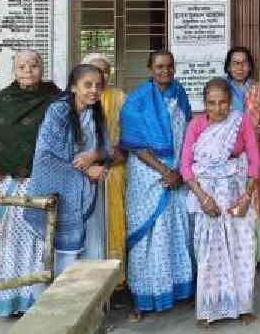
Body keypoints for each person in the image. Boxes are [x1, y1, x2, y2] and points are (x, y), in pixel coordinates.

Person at [0, 50, 59, 318]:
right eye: (22, 66)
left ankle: (39, 299)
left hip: (43, 179)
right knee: (11, 239)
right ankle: (11, 297)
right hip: (11, 182)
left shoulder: (54, 97)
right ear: (14, 71)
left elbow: (65, 131)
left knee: (42, 238)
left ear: (41, 67)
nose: (28, 71)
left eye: (33, 65)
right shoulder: (4, 99)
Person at [119, 50, 194, 321]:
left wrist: (181, 169)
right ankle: (144, 295)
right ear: (150, 69)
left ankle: (175, 290)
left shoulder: (179, 93)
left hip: (176, 171)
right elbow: (135, 144)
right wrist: (165, 171)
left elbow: (187, 132)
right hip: (148, 174)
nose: (165, 71)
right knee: (150, 234)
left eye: (169, 66)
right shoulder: (137, 100)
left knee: (175, 230)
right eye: (159, 66)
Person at [182, 78, 260, 327]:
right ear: (204, 104)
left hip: (237, 194)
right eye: (211, 103)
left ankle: (243, 305)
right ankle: (209, 307)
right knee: (208, 251)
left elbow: (254, 163)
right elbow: (185, 167)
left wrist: (247, 197)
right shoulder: (196, 125)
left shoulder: (241, 121)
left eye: (223, 102)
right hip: (207, 197)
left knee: (242, 248)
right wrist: (203, 198)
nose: (218, 108)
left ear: (231, 102)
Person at [24, 64, 109, 293]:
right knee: (58, 258)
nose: (94, 90)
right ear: (73, 87)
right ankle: (52, 315)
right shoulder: (58, 111)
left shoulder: (95, 112)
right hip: (58, 194)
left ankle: (84, 311)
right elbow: (48, 156)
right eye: (87, 85)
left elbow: (106, 149)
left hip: (87, 195)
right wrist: (85, 171)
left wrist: (95, 156)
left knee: (89, 255)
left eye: (98, 85)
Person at [82, 53, 128, 298]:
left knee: (116, 225)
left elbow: (127, 134)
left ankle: (117, 282)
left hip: (115, 170)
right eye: (95, 70)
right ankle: (90, 284)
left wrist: (115, 156)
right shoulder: (80, 98)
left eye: (105, 70)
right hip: (86, 173)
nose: (101, 75)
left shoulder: (119, 97)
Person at [224, 46, 260, 263]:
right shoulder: (221, 90)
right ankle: (231, 251)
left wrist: (258, 131)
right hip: (226, 155)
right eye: (235, 63)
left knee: (253, 197)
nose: (240, 68)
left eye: (244, 63)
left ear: (250, 66)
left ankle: (252, 253)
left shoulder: (257, 90)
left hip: (252, 154)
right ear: (228, 66)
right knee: (229, 197)